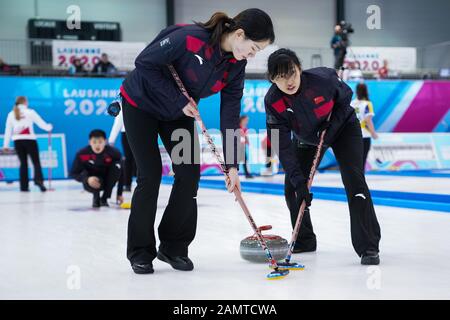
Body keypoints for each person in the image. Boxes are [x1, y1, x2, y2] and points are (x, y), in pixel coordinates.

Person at [119, 8, 274, 274]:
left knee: (190, 174)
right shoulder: (189, 38)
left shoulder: (236, 65)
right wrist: (179, 100)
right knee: (150, 174)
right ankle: (140, 251)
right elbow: (144, 63)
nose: (253, 55)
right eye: (254, 48)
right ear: (239, 34)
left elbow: (230, 113)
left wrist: (233, 166)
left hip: (177, 115)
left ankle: (173, 247)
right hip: (140, 105)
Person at [265, 48, 381, 265]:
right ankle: (305, 239)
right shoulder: (274, 101)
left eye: (291, 73)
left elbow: (346, 97)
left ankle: (369, 246)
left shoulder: (323, 80)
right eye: (280, 78)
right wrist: (300, 183)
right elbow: (281, 145)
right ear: (272, 79)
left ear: (299, 69)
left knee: (354, 181)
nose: (288, 82)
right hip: (308, 138)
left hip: (343, 128)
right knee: (292, 187)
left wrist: (331, 124)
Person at [3, 96, 52, 192]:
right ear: (25, 102)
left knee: (23, 164)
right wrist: (49, 127)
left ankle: (23, 186)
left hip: (17, 141)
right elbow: (41, 123)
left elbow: (8, 130)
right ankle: (39, 181)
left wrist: (6, 145)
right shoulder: (30, 112)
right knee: (36, 162)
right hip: (30, 140)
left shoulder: (11, 114)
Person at [70, 129, 121, 208]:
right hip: (90, 181)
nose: (97, 145)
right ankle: (96, 198)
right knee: (89, 175)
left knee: (117, 166)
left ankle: (104, 198)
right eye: (94, 142)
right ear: (89, 142)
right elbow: (73, 173)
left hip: (107, 180)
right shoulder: (82, 154)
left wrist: (119, 194)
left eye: (100, 142)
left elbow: (122, 172)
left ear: (105, 141)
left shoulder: (114, 153)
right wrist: (86, 179)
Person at [108, 109, 136, 201]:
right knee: (135, 158)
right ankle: (130, 184)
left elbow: (118, 122)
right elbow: (119, 120)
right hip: (134, 131)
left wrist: (111, 141)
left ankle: (128, 184)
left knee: (129, 159)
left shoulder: (125, 101)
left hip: (128, 132)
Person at [350, 83, 378, 168]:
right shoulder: (367, 104)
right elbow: (368, 120)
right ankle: (360, 178)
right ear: (366, 91)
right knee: (362, 158)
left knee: (354, 158)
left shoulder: (352, 103)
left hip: (353, 134)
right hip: (364, 135)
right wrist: (373, 133)